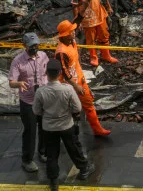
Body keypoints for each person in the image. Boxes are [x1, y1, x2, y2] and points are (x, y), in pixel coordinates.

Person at [33, 59, 95, 191]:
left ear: (46, 73)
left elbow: (36, 111)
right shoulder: (67, 89)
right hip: (66, 125)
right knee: (74, 148)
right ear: (60, 73)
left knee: (51, 154)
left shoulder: (41, 91)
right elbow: (77, 107)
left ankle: (53, 181)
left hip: (49, 128)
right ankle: (84, 169)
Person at [54, 19, 111, 136]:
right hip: (69, 85)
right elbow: (64, 73)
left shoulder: (71, 41)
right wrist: (76, 86)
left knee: (89, 104)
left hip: (80, 80)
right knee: (67, 110)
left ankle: (97, 130)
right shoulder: (61, 52)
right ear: (65, 35)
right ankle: (63, 133)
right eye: (71, 31)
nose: (74, 32)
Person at [9, 32, 49, 172]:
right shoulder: (18, 61)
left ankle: (43, 152)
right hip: (28, 102)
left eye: (36, 45)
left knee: (44, 128)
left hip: (43, 100)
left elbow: (47, 73)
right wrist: (19, 83)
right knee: (30, 132)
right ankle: (27, 160)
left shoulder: (43, 56)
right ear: (24, 46)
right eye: (31, 46)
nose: (34, 48)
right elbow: (11, 82)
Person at [72, 0, 118, 67]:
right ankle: (93, 57)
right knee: (91, 39)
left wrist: (108, 6)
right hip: (87, 17)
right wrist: (77, 20)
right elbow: (74, 5)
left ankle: (106, 55)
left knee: (104, 35)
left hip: (100, 13)